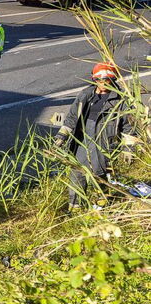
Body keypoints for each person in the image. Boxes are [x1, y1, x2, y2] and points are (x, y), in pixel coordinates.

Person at [55, 63, 137, 210]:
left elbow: (129, 126)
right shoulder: (85, 95)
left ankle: (101, 207)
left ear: (113, 79)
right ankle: (75, 208)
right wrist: (62, 136)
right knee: (77, 174)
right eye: (99, 79)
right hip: (82, 141)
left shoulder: (121, 100)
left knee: (100, 175)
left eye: (107, 79)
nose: (103, 83)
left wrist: (128, 149)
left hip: (104, 143)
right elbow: (72, 118)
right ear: (94, 79)